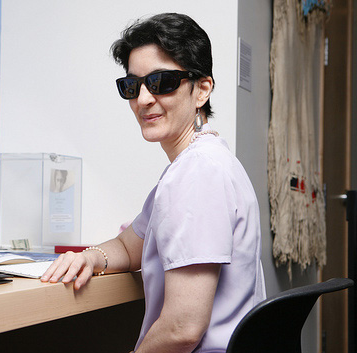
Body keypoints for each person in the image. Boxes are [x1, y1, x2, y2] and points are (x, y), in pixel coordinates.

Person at [40, 13, 266, 353]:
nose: (143, 99)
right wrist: (90, 257)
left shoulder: (198, 174)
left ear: (202, 88)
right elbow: (132, 246)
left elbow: (183, 328)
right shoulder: (199, 162)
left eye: (162, 82)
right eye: (132, 86)